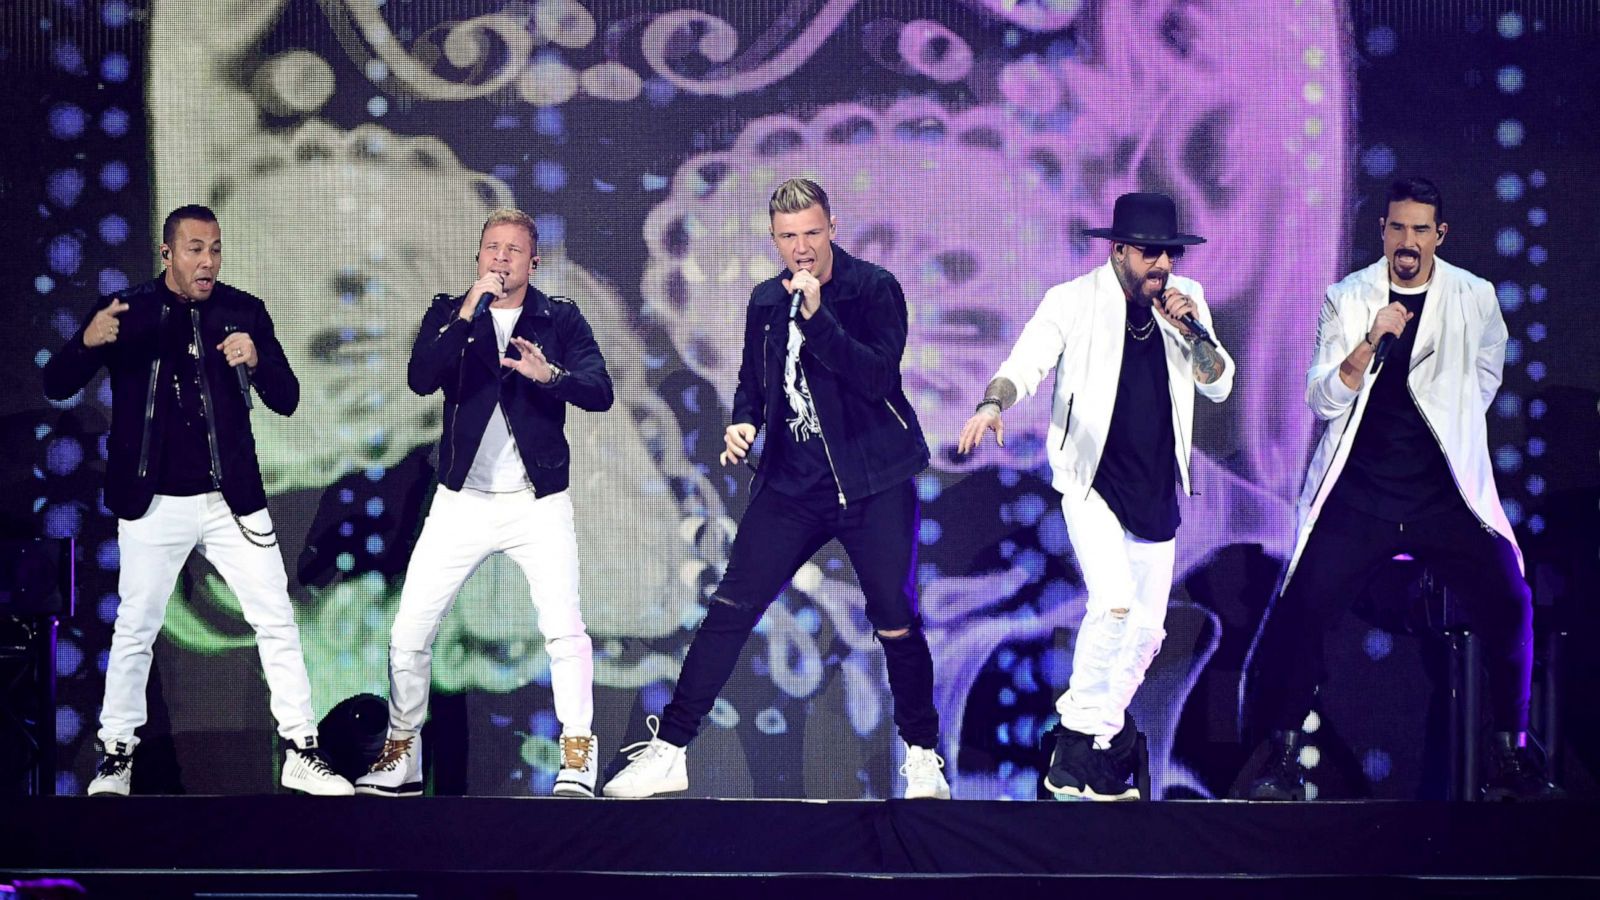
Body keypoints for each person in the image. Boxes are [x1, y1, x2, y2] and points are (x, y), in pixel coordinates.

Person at [604, 178, 949, 800]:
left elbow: (875, 377)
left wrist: (818, 321)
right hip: (793, 486)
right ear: (774, 239)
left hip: (874, 483)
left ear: (832, 227)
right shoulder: (766, 300)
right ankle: (670, 751)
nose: (801, 248)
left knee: (895, 623)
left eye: (811, 233)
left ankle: (922, 755)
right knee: (729, 610)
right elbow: (752, 379)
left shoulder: (873, 288)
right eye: (788, 237)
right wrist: (744, 420)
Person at [1242, 177, 1561, 801]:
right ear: (1382, 232)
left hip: (1444, 495)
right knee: (1301, 608)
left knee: (1510, 600)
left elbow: (1485, 380)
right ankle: (1282, 754)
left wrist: (1451, 431)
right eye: (1397, 229)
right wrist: (1369, 341)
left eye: (1420, 230)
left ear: (1439, 235)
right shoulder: (1348, 297)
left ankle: (1510, 753)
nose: (1407, 242)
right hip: (1361, 495)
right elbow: (1322, 397)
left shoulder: (1475, 297)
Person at [42, 205, 352, 796]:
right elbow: (56, 384)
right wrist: (86, 343)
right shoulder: (124, 311)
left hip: (230, 499)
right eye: (194, 249)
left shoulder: (243, 311)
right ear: (168, 254)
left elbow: (287, 398)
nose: (207, 260)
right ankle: (117, 756)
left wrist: (257, 359)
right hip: (152, 500)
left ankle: (300, 749)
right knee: (136, 625)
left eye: (214, 248)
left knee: (276, 618)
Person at [958, 192, 1233, 800]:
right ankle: (1075, 744)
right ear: (1119, 252)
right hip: (1093, 485)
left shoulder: (1185, 306)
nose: (1160, 265)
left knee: (1148, 633)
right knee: (1112, 604)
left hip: (1158, 492)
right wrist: (993, 401)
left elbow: (1217, 384)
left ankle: (1096, 748)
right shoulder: (1073, 301)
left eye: (1168, 253)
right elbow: (1026, 361)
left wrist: (1193, 332)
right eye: (1148, 254)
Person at [353, 208, 614, 797]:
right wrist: (469, 310)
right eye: (492, 248)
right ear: (478, 257)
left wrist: (551, 378)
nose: (501, 258)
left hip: (537, 501)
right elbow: (422, 376)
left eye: (514, 250)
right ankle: (402, 752)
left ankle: (577, 752)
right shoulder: (451, 314)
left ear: (534, 261)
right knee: (411, 627)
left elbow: (601, 390)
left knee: (564, 630)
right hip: (462, 500)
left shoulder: (560, 318)